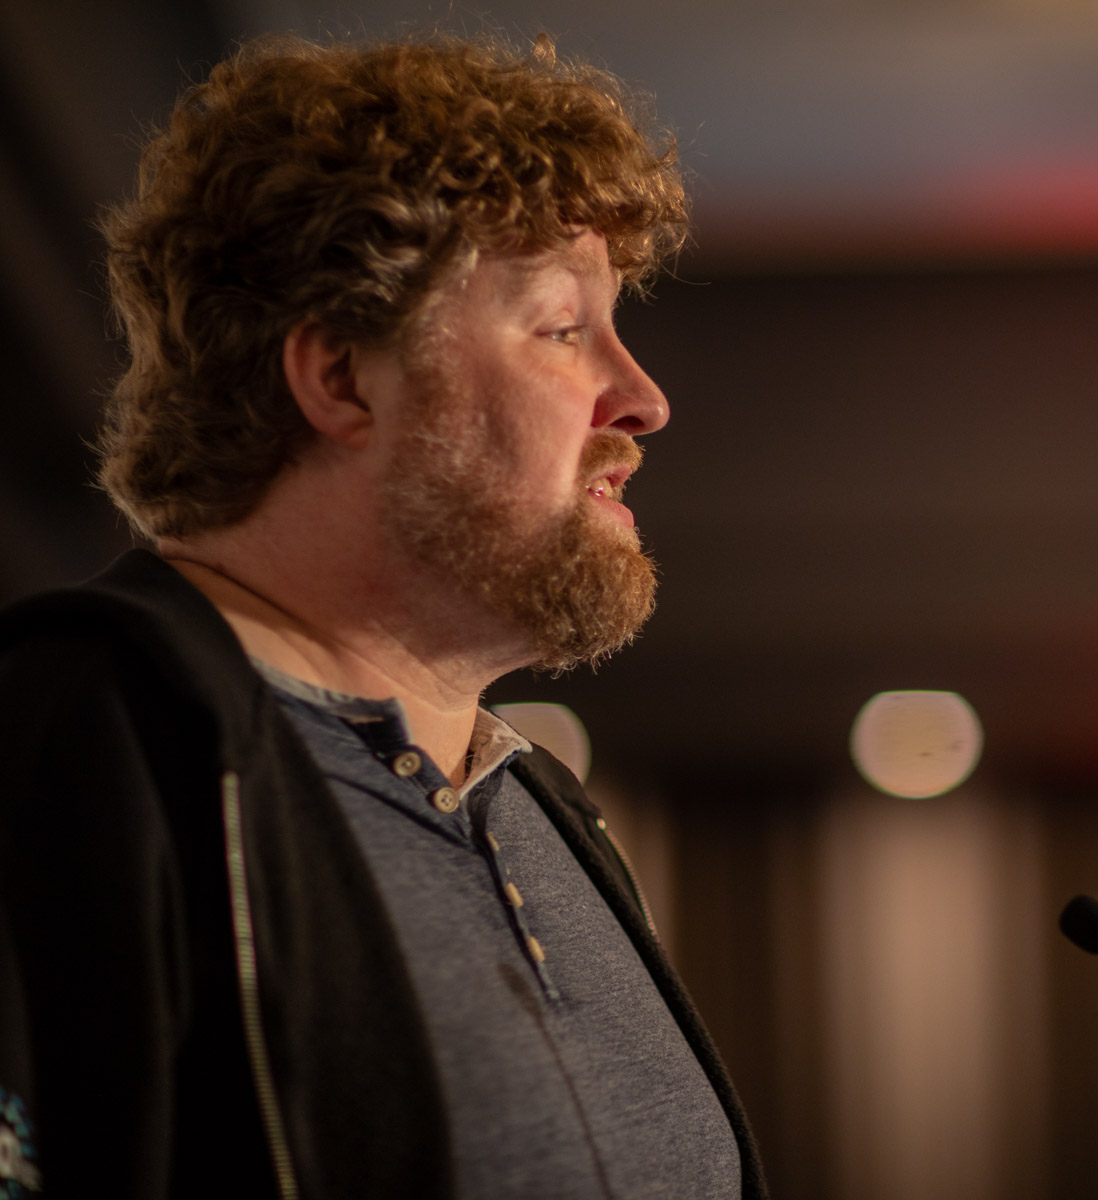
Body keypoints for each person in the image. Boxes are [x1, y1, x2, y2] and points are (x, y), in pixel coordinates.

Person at [0, 33, 766, 1200]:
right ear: (344, 379)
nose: (644, 399)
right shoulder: (74, 746)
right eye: (564, 328)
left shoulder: (546, 813)